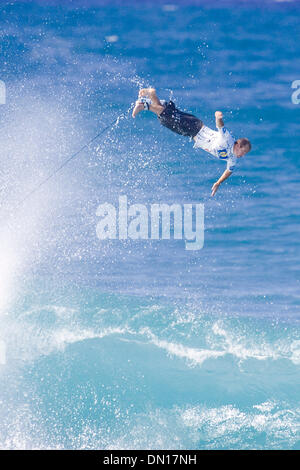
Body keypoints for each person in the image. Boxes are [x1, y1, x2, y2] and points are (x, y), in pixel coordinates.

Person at [132, 88, 251, 196]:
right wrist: (218, 117)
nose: (243, 155)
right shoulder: (228, 139)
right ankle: (144, 105)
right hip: (195, 127)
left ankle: (152, 95)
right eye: (243, 151)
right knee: (167, 116)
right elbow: (220, 126)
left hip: (191, 133)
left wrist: (218, 182)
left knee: (166, 119)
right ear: (238, 145)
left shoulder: (233, 158)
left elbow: (229, 170)